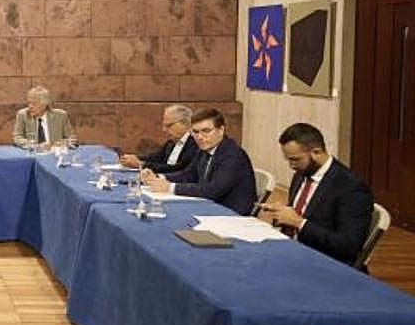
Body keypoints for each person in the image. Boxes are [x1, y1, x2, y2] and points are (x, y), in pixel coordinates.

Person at [261, 122, 375, 266]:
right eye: (288, 159)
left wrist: (299, 223)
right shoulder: (301, 174)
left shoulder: (351, 187)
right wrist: (282, 213)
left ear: (317, 152)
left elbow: (349, 246)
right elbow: (299, 213)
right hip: (292, 250)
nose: (291, 166)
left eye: (295, 159)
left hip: (323, 261)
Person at [142, 107, 256, 215]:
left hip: (231, 214)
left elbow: (212, 190)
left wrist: (170, 187)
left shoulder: (232, 155)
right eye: (195, 132)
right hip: (208, 207)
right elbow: (189, 174)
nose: (200, 137)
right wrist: (158, 177)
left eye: (206, 131)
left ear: (221, 130)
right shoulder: (204, 149)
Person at [119, 104, 198, 174]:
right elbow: (157, 157)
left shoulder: (195, 142)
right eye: (164, 125)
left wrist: (141, 164)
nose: (164, 129)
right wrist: (136, 158)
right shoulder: (171, 142)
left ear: (185, 123)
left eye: (169, 125)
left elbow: (178, 169)